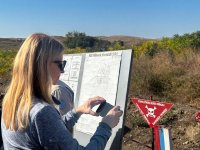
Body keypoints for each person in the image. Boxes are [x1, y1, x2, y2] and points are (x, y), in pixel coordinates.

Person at [1, 33, 123, 150]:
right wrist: (106, 126)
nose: (63, 71)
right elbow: (47, 125)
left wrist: (77, 111)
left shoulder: (14, 99)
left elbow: (50, 132)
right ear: (42, 66)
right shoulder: (41, 112)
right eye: (60, 64)